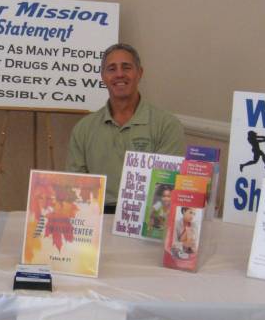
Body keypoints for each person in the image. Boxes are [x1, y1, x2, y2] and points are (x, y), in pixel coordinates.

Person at [66, 43, 185, 213]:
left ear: (140, 73)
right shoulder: (83, 129)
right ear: (103, 76)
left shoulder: (167, 125)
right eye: (112, 69)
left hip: (146, 215)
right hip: (96, 216)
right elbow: (74, 187)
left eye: (126, 67)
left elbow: (167, 187)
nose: (119, 74)